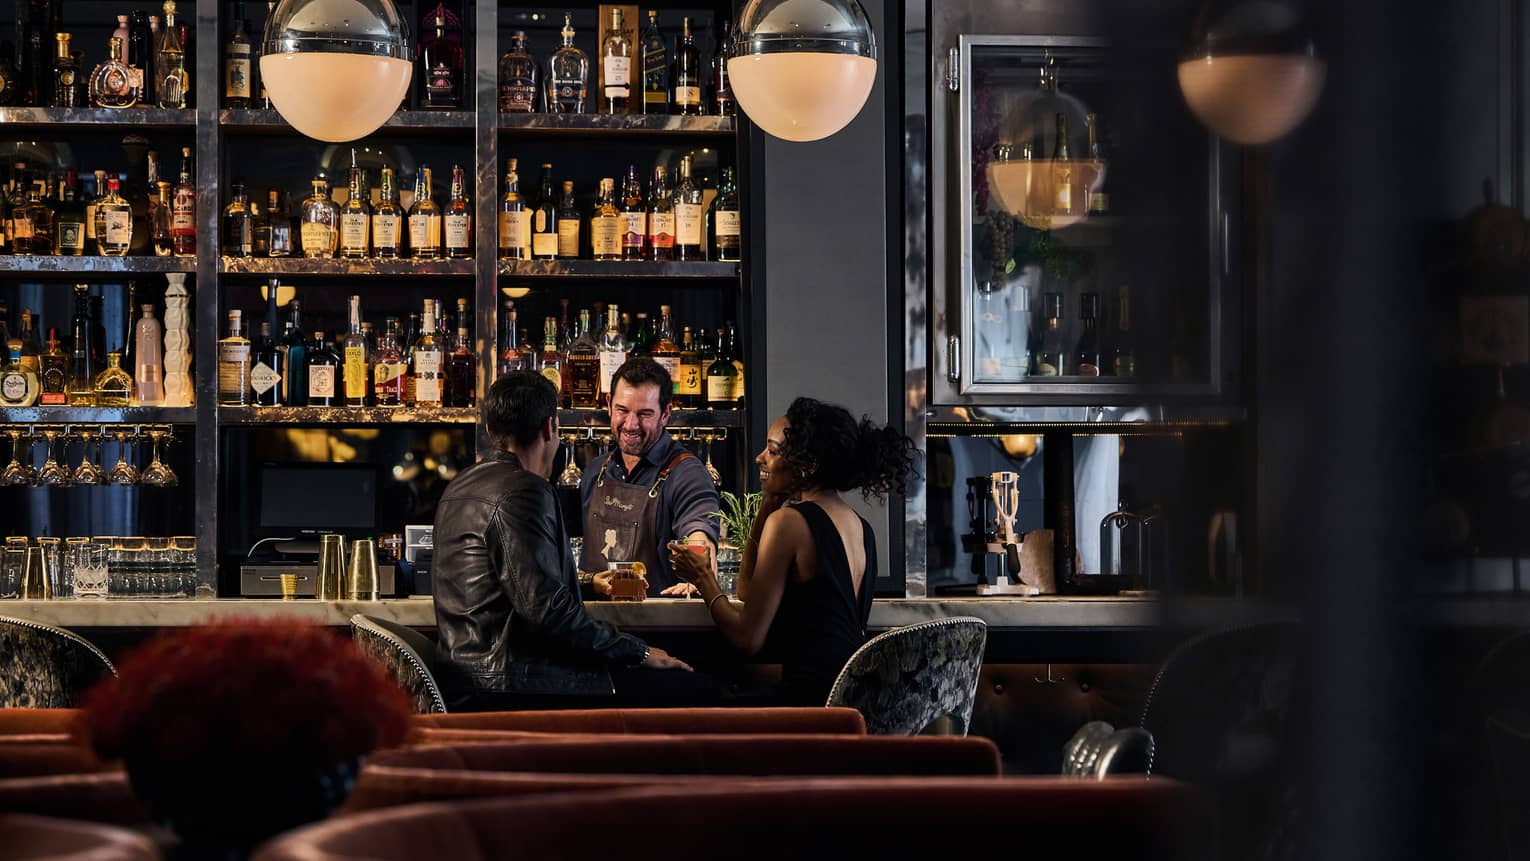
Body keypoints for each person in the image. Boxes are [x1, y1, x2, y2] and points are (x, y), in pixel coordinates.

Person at [433, 370, 695, 711]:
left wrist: (589, 585)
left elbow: (514, 587)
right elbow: (547, 611)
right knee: (689, 688)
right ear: (550, 428)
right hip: (517, 684)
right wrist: (639, 651)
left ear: (489, 430)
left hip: (468, 676)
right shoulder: (524, 490)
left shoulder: (459, 487)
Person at [668, 397, 915, 706]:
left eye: (772, 452)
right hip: (850, 699)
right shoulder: (860, 526)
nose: (760, 458)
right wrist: (768, 505)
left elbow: (747, 639)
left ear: (806, 466)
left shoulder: (790, 524)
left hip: (808, 702)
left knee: (688, 698)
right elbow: (747, 592)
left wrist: (702, 576)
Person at [579, 357, 721, 597]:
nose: (631, 424)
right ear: (609, 404)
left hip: (656, 627)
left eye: (644, 414)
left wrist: (701, 573)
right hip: (593, 627)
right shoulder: (596, 471)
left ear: (666, 414)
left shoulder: (687, 474)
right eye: (622, 410)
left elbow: (699, 531)